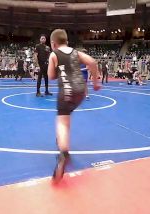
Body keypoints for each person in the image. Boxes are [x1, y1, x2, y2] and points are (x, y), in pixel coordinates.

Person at [47, 29, 101, 182]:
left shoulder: (54, 54)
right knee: (67, 115)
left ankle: (63, 152)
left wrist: (57, 68)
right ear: (67, 41)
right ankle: (62, 142)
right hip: (81, 92)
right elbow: (92, 62)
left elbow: (51, 76)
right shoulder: (75, 52)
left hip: (67, 92)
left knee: (62, 122)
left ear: (53, 44)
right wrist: (95, 83)